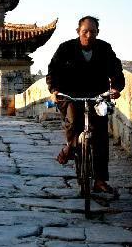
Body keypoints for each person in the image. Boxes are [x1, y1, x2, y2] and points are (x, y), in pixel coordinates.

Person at [46, 15, 125, 196]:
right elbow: (53, 70)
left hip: (97, 96)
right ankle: (71, 146)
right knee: (73, 122)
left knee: (100, 136)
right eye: (85, 31)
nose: (89, 35)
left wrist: (117, 88)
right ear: (78, 32)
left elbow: (116, 71)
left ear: (97, 33)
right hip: (71, 96)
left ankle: (99, 180)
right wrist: (54, 89)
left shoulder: (104, 49)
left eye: (93, 32)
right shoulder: (66, 48)